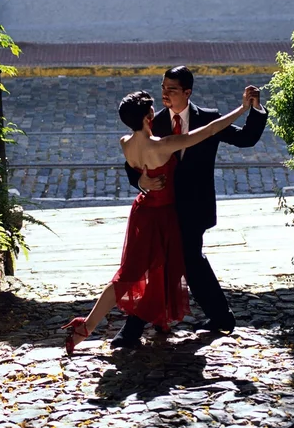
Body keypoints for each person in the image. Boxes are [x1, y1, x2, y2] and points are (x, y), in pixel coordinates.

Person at [61, 89, 254, 356]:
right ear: (149, 114)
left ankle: (103, 325)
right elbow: (209, 130)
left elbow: (137, 169)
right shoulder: (162, 146)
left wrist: (142, 182)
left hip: (142, 213)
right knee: (141, 272)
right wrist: (242, 109)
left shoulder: (125, 143)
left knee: (138, 271)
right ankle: (90, 326)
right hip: (163, 217)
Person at [111, 66, 268, 348]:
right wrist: (141, 180)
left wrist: (254, 109)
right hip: (161, 207)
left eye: (171, 89)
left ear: (187, 92)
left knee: (189, 259)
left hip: (194, 205)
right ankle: (215, 317)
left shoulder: (208, 118)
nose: (165, 95)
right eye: (162, 88)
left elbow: (246, 138)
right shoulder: (153, 122)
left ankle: (139, 326)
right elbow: (131, 163)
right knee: (166, 262)